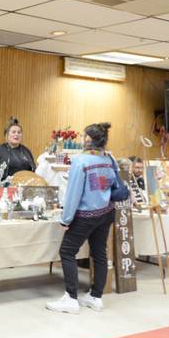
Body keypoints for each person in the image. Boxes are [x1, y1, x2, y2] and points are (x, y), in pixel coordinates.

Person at [47, 122, 118, 315]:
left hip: (85, 215)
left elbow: (74, 193)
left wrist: (66, 219)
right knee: (99, 253)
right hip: (106, 212)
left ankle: (71, 298)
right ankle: (96, 297)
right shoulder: (110, 159)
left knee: (67, 252)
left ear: (88, 139)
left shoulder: (81, 161)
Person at [0, 116, 36, 184]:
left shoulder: (26, 151)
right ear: (7, 134)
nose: (16, 134)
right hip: (3, 190)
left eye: (19, 132)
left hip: (24, 189)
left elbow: (33, 171)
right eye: (13, 132)